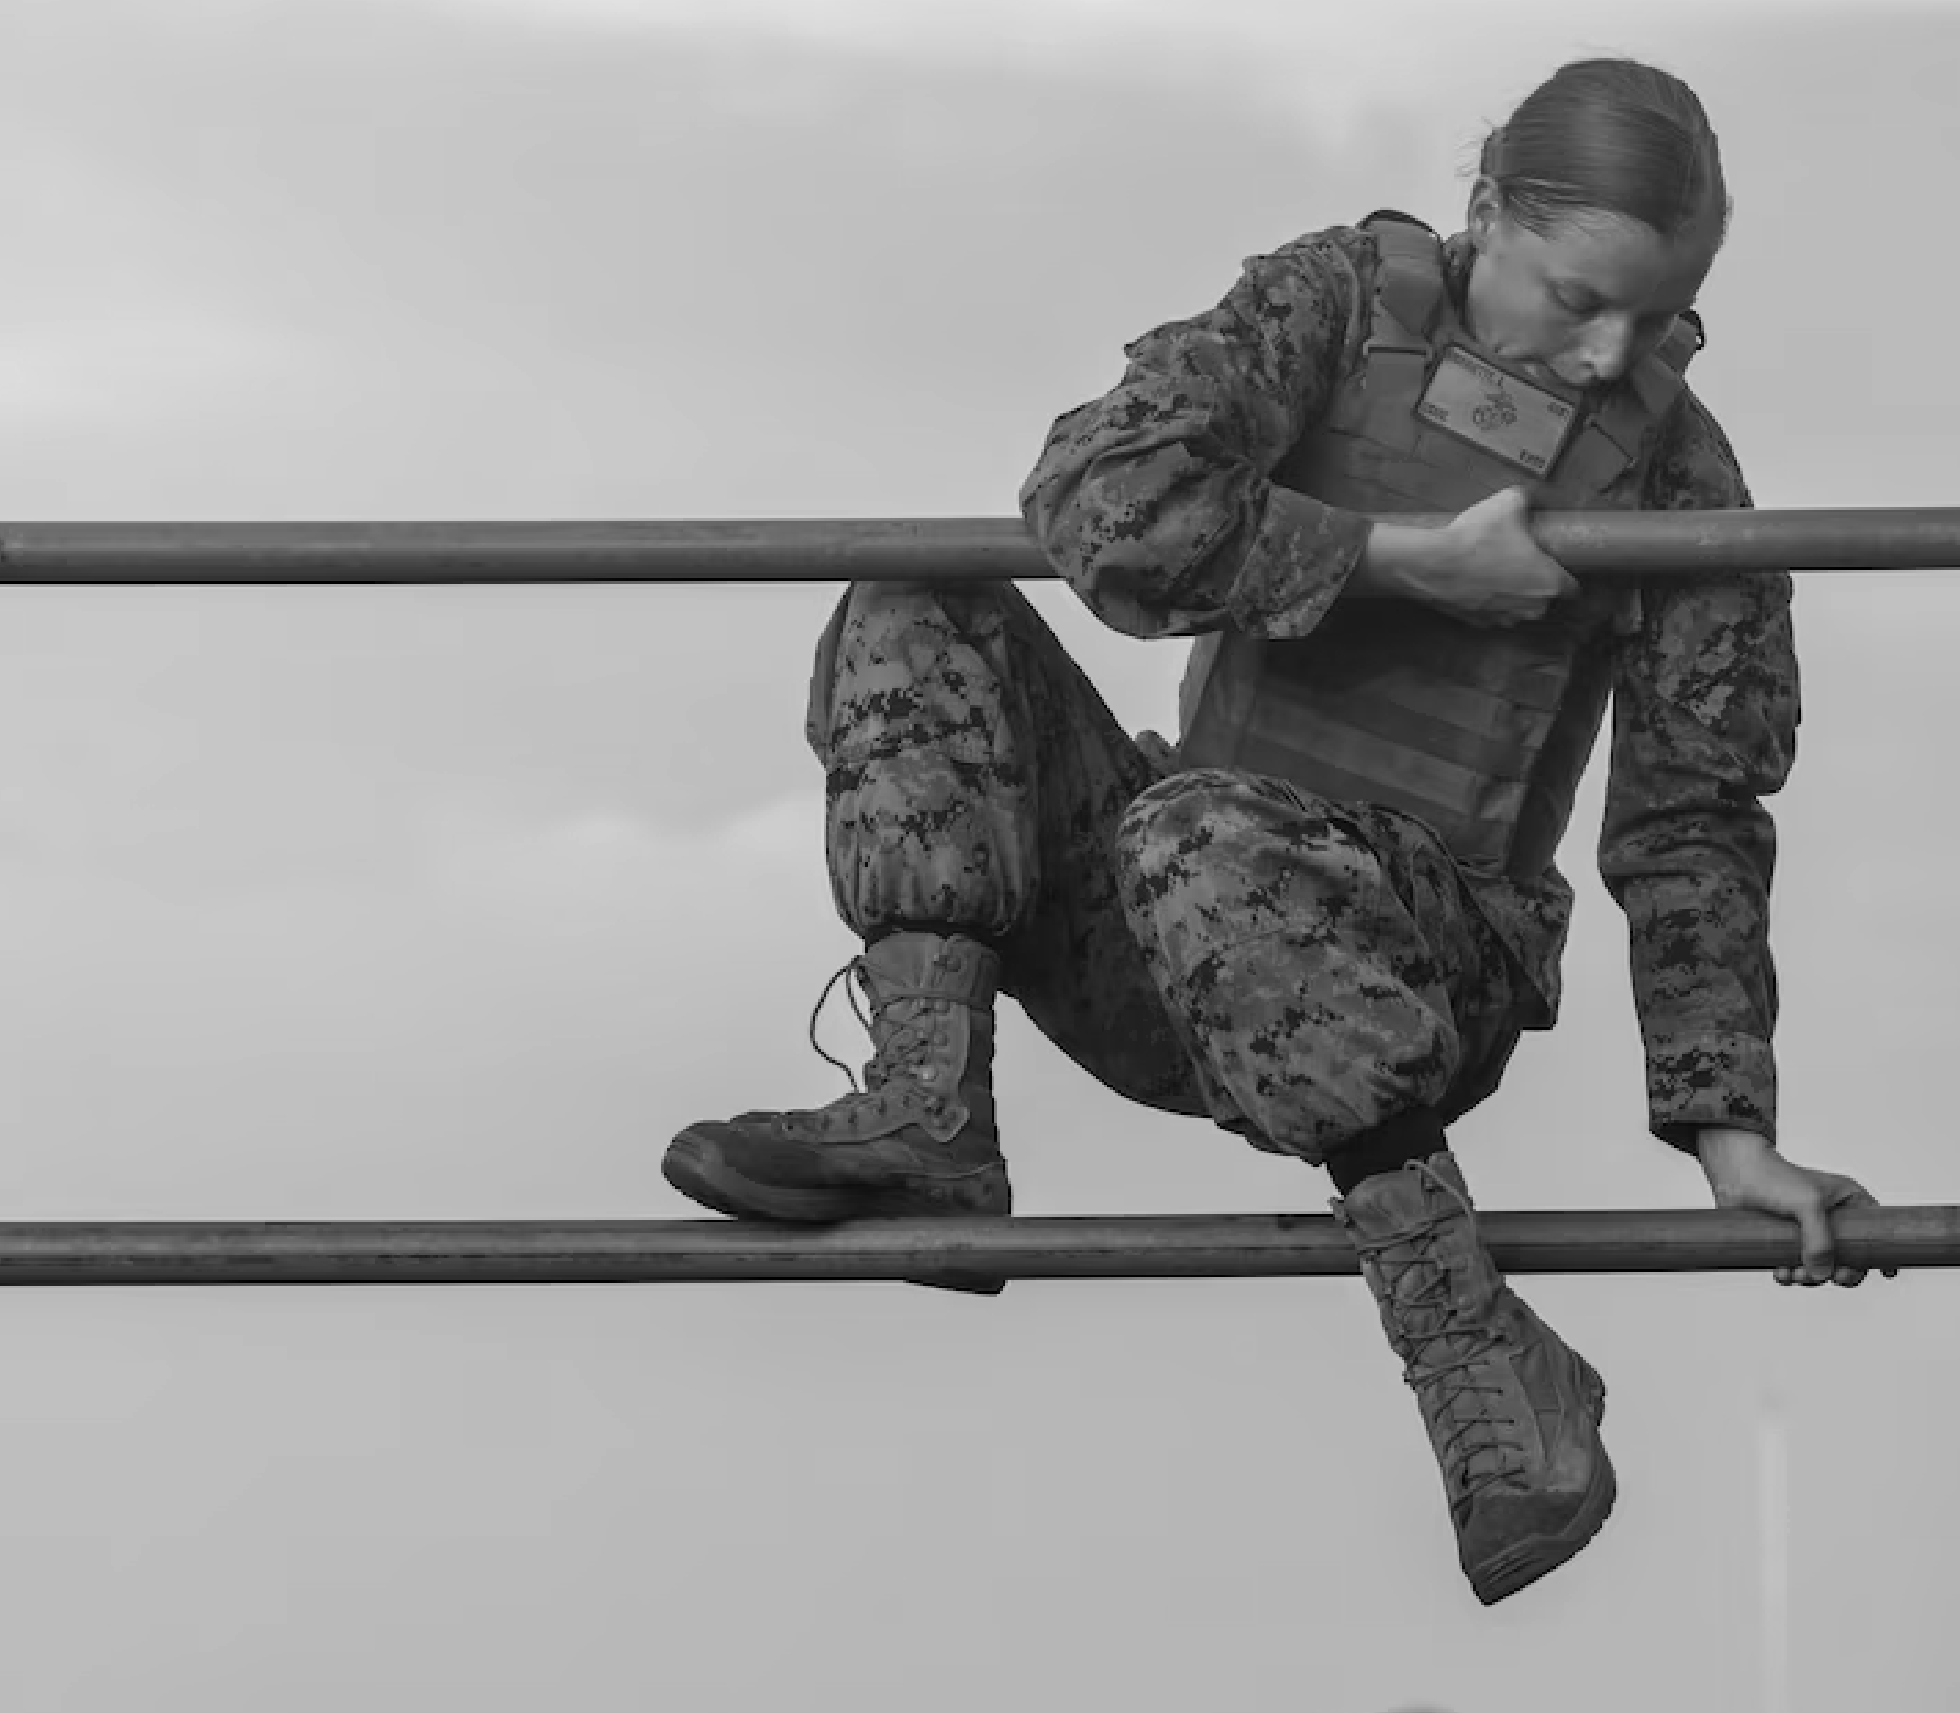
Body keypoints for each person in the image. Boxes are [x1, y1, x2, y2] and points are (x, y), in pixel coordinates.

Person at [660, 57, 1889, 1606]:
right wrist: (1398, 562)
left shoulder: (1679, 478)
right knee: (919, 602)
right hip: (1160, 928)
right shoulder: (1328, 306)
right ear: (1487, 209)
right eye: (1579, 297)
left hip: (1425, 965)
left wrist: (1733, 1137)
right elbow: (1097, 497)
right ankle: (926, 1119)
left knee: (1202, 832)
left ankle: (1470, 1348)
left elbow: (1694, 819)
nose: (1607, 350)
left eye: (1653, 318)